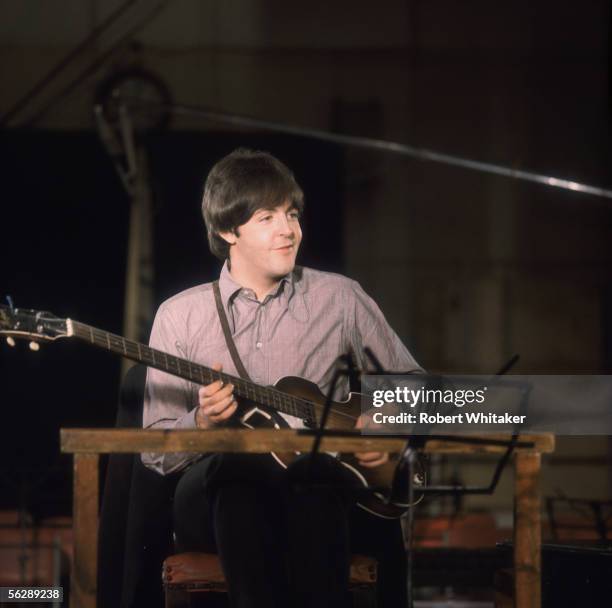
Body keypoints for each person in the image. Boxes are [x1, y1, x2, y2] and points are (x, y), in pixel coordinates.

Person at [142, 148, 423, 608]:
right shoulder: (179, 315)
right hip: (213, 497)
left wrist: (385, 418)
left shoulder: (341, 298)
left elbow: (414, 382)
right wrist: (203, 424)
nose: (288, 230)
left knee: (313, 470)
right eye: (267, 217)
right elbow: (153, 451)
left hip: (318, 487)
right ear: (227, 230)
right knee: (238, 463)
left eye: (291, 214)